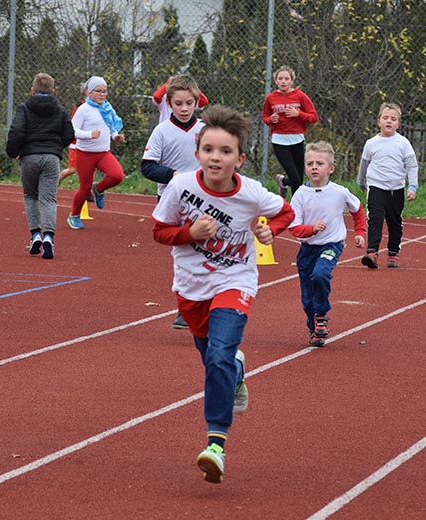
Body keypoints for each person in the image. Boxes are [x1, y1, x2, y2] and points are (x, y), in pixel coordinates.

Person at [151, 105, 295, 484]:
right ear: (197, 152)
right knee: (214, 360)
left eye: (225, 151)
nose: (216, 157)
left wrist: (270, 231)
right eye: (209, 149)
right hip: (191, 286)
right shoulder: (181, 186)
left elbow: (286, 212)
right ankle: (238, 370)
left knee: (218, 355)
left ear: (240, 159)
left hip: (235, 280)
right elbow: (159, 231)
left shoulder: (251, 193)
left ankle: (216, 444)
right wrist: (189, 234)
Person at [141, 74, 206, 331]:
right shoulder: (161, 131)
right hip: (171, 199)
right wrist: (172, 175)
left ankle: (201, 302)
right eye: (178, 103)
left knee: (204, 251)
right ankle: (185, 307)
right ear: (169, 103)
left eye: (188, 103)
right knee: (183, 253)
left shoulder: (204, 131)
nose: (183, 108)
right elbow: (147, 167)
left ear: (196, 103)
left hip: (202, 199)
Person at [288, 142, 366, 347]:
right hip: (307, 249)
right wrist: (310, 229)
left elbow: (357, 209)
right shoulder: (300, 195)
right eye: (310, 163)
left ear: (330, 169)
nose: (314, 167)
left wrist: (359, 232)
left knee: (321, 274)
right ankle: (314, 327)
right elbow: (294, 227)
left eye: (319, 163)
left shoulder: (340, 192)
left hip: (331, 245)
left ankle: (321, 315)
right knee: (307, 299)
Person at [6, 72, 74, 259]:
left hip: (29, 157)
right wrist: (55, 146)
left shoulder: (25, 108)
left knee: (30, 196)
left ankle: (35, 234)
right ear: (53, 91)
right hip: (51, 158)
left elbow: (17, 131)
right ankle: (49, 237)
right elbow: (69, 134)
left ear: (32, 90)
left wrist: (13, 151)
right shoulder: (60, 110)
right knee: (48, 199)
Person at [356, 102, 419, 269]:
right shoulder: (371, 143)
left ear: (398, 124)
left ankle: (393, 254)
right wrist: (361, 180)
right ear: (379, 121)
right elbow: (364, 163)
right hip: (376, 187)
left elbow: (412, 166)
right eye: (385, 118)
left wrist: (412, 186)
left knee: (395, 223)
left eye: (393, 119)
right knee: (375, 219)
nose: (389, 121)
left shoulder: (403, 143)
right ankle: (372, 252)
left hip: (396, 190)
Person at [67, 76, 125, 230]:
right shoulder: (83, 110)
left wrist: (116, 136)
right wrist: (89, 135)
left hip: (103, 153)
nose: (102, 94)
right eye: (98, 91)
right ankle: (74, 215)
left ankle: (98, 189)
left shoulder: (106, 107)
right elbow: (71, 131)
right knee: (84, 188)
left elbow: (111, 126)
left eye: (105, 91)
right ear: (88, 92)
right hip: (85, 154)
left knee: (117, 175)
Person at [262, 66, 318, 198]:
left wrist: (298, 114)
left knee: (298, 178)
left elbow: (313, 117)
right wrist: (271, 119)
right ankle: (294, 209)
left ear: (292, 81)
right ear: (276, 81)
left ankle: (283, 182)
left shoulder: (300, 96)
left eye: (286, 79)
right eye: (280, 78)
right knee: (295, 177)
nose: (283, 81)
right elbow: (265, 117)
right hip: (279, 140)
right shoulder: (271, 98)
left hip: (297, 140)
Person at [58, 85, 87, 184]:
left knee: (87, 168)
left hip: (87, 143)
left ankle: (86, 191)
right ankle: (54, 182)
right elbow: (73, 125)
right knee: (72, 169)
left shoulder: (95, 107)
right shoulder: (80, 107)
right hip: (76, 143)